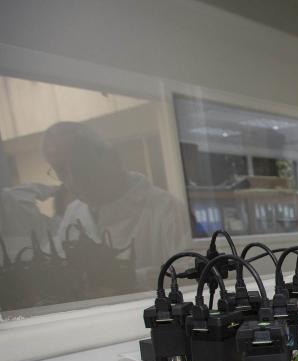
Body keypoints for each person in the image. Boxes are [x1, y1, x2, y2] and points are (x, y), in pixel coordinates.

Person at [42, 121, 190, 290]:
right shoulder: (73, 212)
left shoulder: (166, 209)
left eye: (80, 166)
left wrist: (131, 278)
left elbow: (195, 275)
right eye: (61, 171)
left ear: (112, 158)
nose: (73, 181)